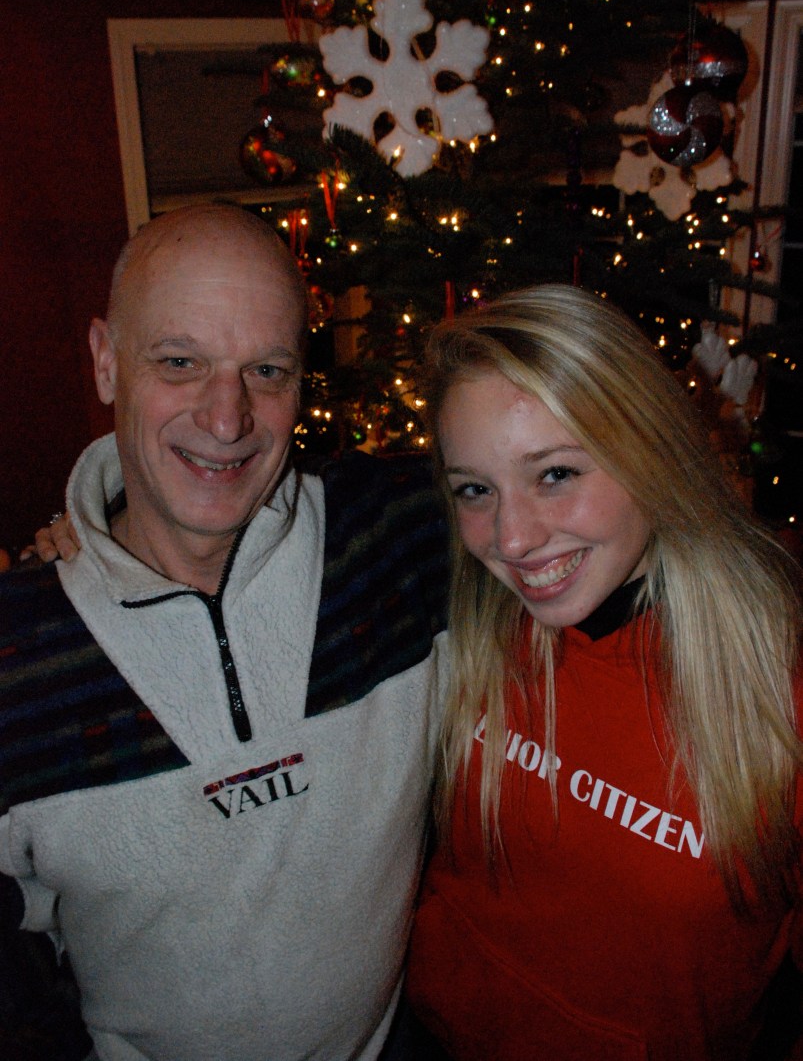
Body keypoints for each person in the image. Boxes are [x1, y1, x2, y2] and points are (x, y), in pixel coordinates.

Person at [0, 204, 450, 1061]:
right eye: (180, 361)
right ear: (106, 360)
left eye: (267, 370)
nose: (226, 417)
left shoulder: (396, 537)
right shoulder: (18, 656)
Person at [405, 283, 803, 1060]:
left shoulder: (775, 686)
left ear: (650, 449)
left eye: (555, 473)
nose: (510, 539)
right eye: (475, 490)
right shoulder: (466, 626)